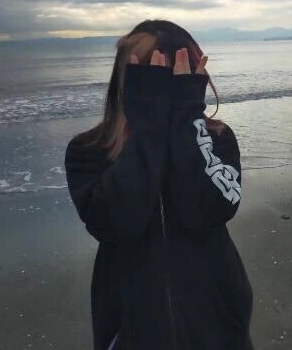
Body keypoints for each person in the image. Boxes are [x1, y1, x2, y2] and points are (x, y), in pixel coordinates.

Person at [64, 19, 254, 349]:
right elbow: (117, 223)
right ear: (129, 81)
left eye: (178, 77)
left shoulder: (218, 139)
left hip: (221, 326)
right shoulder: (89, 150)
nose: (165, 89)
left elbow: (205, 212)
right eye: (152, 77)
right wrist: (147, 127)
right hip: (128, 332)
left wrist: (187, 119)